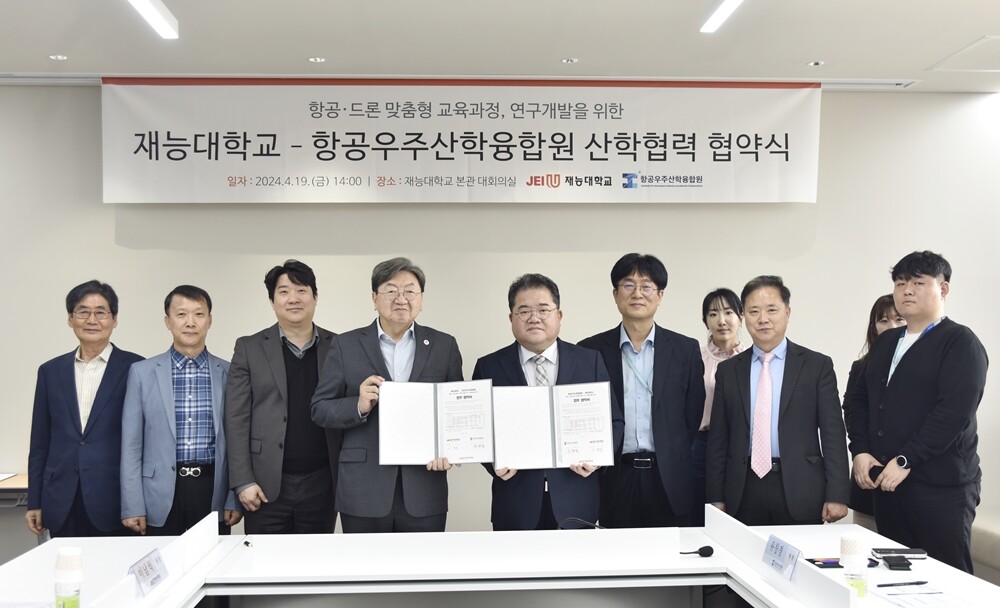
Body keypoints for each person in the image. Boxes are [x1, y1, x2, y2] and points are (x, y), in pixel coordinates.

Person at [844, 251, 987, 573]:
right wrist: (861, 450)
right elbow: (856, 401)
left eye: (918, 283)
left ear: (943, 289)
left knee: (947, 577)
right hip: (887, 484)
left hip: (941, 487)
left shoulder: (960, 342)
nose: (907, 290)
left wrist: (906, 459)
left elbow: (953, 412)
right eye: (900, 283)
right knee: (893, 575)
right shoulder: (886, 342)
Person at [311, 258, 463, 533]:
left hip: (424, 486)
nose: (401, 299)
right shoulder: (345, 345)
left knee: (423, 561)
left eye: (410, 291)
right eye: (391, 290)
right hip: (362, 488)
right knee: (364, 562)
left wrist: (451, 450)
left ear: (421, 299)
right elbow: (319, 409)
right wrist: (358, 405)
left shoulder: (444, 345)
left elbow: (457, 413)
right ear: (374, 298)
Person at [472, 273, 624, 531]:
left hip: (576, 500)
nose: (534, 318)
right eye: (524, 311)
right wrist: (493, 462)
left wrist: (597, 459)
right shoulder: (489, 366)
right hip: (515, 502)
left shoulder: (589, 361)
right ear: (511, 318)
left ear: (559, 315)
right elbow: (479, 429)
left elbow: (615, 422)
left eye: (543, 309)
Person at [706, 275, 850, 525]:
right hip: (743, 488)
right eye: (754, 311)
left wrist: (837, 494)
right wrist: (715, 496)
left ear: (787, 312)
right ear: (744, 316)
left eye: (771, 310)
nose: (763, 319)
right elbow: (719, 438)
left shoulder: (816, 366)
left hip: (800, 486)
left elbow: (833, 433)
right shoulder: (728, 371)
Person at [578, 253, 704, 528]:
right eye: (628, 285)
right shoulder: (590, 350)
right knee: (616, 550)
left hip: (668, 477)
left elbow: (692, 413)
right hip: (614, 476)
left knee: (671, 551)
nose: (637, 293)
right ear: (615, 294)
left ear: (660, 295)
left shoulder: (685, 349)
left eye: (646, 286)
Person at [224, 260, 342, 534]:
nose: (293, 298)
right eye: (284, 291)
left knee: (315, 559)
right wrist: (243, 481)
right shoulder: (249, 348)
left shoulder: (339, 346)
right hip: (263, 485)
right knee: (263, 560)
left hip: (323, 482)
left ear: (315, 296)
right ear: (272, 300)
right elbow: (236, 418)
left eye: (301, 290)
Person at [26, 280, 144, 537]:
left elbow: (146, 440)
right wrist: (34, 499)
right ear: (70, 319)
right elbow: (40, 441)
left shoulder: (137, 368)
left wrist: (139, 503)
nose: (92, 320)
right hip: (61, 499)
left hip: (115, 500)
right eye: (83, 312)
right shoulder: (50, 371)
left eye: (101, 312)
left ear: (114, 319)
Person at [121, 285, 241, 536]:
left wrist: (234, 497)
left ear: (209, 320)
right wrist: (132, 505)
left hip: (212, 488)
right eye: (181, 314)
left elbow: (236, 442)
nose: (190, 322)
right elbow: (131, 445)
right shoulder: (142, 373)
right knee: (162, 560)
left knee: (212, 559)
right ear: (168, 321)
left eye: (199, 314)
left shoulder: (229, 373)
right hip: (158, 491)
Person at [842, 294, 905, 530]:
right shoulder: (861, 366)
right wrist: (859, 452)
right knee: (865, 544)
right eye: (883, 321)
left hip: (909, 472)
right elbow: (852, 410)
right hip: (868, 470)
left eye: (899, 319)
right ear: (874, 327)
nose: (892, 326)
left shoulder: (924, 365)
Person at [692, 288, 747, 527]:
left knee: (737, 513)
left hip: (740, 445)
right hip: (701, 445)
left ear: (741, 317)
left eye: (728, 312)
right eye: (713, 314)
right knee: (699, 512)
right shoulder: (695, 358)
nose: (721, 321)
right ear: (705, 321)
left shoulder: (752, 359)